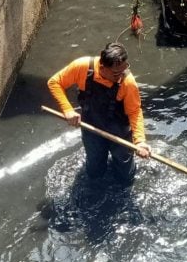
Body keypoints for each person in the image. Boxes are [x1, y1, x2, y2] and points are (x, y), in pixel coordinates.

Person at [47, 42, 151, 184]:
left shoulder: (128, 82)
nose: (120, 76)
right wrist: (68, 110)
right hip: (92, 130)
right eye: (115, 73)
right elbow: (54, 82)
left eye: (124, 69)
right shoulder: (82, 67)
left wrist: (140, 141)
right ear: (102, 68)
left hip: (120, 133)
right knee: (94, 170)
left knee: (125, 175)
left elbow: (134, 111)